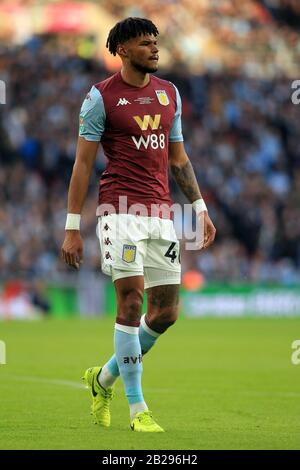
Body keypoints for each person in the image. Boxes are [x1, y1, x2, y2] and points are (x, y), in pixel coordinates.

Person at [61, 17, 216, 433]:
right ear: (124, 49)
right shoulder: (100, 97)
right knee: (131, 304)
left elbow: (178, 159)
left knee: (165, 313)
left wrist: (199, 206)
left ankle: (102, 378)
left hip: (161, 214)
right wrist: (72, 227)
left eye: (156, 42)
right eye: (145, 43)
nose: (154, 48)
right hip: (119, 211)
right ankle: (137, 409)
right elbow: (82, 163)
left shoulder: (170, 94)